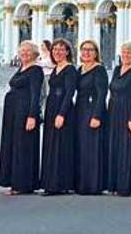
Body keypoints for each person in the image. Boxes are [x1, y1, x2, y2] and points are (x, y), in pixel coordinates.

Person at [0, 41, 44, 195]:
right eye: (22, 50)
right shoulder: (21, 68)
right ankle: (15, 181)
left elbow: (35, 94)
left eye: (28, 51)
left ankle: (22, 183)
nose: (24, 53)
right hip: (13, 113)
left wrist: (32, 115)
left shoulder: (36, 70)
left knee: (23, 147)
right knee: (14, 145)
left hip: (24, 113)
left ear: (34, 54)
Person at [106, 42, 131, 196]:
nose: (126, 55)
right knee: (116, 146)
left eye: (130, 53)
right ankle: (115, 183)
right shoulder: (117, 69)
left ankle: (127, 185)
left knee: (128, 148)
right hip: (115, 111)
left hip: (129, 111)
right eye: (124, 52)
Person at [40, 39, 77, 195]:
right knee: (51, 145)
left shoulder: (69, 69)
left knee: (61, 146)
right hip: (51, 108)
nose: (57, 52)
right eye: (55, 49)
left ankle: (60, 183)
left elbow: (69, 92)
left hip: (63, 110)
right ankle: (51, 181)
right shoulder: (55, 69)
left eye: (61, 49)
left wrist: (62, 114)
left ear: (67, 52)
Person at [74, 39, 108, 195]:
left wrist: (97, 115)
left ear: (96, 53)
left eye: (90, 50)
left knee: (92, 148)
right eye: (84, 50)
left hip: (92, 110)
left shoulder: (99, 70)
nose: (86, 53)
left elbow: (102, 94)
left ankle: (93, 184)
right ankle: (81, 183)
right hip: (80, 110)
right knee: (81, 147)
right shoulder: (79, 69)